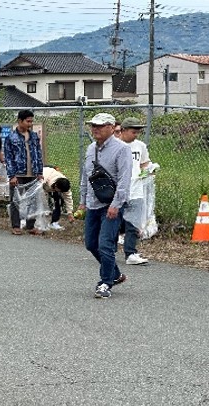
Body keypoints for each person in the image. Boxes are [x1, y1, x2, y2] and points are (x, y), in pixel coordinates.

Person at [77, 112, 133, 299]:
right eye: (93, 126)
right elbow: (86, 175)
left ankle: (105, 282)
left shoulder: (121, 149)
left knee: (105, 244)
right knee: (91, 244)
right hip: (93, 202)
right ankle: (115, 274)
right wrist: (83, 201)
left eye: (100, 126)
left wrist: (116, 204)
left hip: (111, 204)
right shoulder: (90, 148)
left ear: (111, 127)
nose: (95, 129)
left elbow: (125, 179)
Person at [4, 109, 44, 235]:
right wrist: (12, 176)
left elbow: (38, 154)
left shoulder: (33, 136)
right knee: (16, 200)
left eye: (31, 121)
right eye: (28, 121)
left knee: (32, 199)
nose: (30, 124)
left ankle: (30, 225)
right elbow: (8, 158)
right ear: (20, 121)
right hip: (18, 174)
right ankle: (16, 226)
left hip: (32, 174)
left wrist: (39, 171)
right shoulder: (11, 137)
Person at [118, 117, 151, 266]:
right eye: (133, 131)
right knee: (116, 220)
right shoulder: (115, 146)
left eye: (138, 132)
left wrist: (148, 171)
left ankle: (130, 253)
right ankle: (107, 244)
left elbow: (144, 163)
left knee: (133, 222)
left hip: (136, 188)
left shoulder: (141, 146)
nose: (136, 134)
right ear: (123, 131)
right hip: (119, 189)